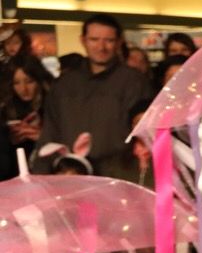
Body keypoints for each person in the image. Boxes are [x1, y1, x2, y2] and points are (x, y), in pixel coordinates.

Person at [34, 14, 150, 181]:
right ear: (83, 40)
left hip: (119, 178)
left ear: (118, 42)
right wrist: (41, 177)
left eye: (108, 40)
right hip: (71, 176)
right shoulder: (64, 84)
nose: (101, 47)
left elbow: (143, 137)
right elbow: (50, 133)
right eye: (94, 39)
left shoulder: (135, 82)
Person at [2, 57, 50, 182]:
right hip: (15, 178)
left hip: (46, 175)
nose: (23, 89)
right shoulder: (7, 110)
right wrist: (7, 140)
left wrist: (42, 136)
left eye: (29, 81)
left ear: (39, 80)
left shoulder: (53, 106)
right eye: (16, 83)